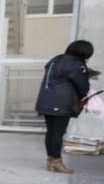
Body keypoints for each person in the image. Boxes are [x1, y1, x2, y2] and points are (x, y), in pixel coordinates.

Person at [35, 40, 94, 174]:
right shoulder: (75, 64)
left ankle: (51, 161)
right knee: (58, 133)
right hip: (61, 102)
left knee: (51, 132)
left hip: (46, 99)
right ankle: (57, 161)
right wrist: (87, 77)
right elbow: (83, 86)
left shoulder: (56, 60)